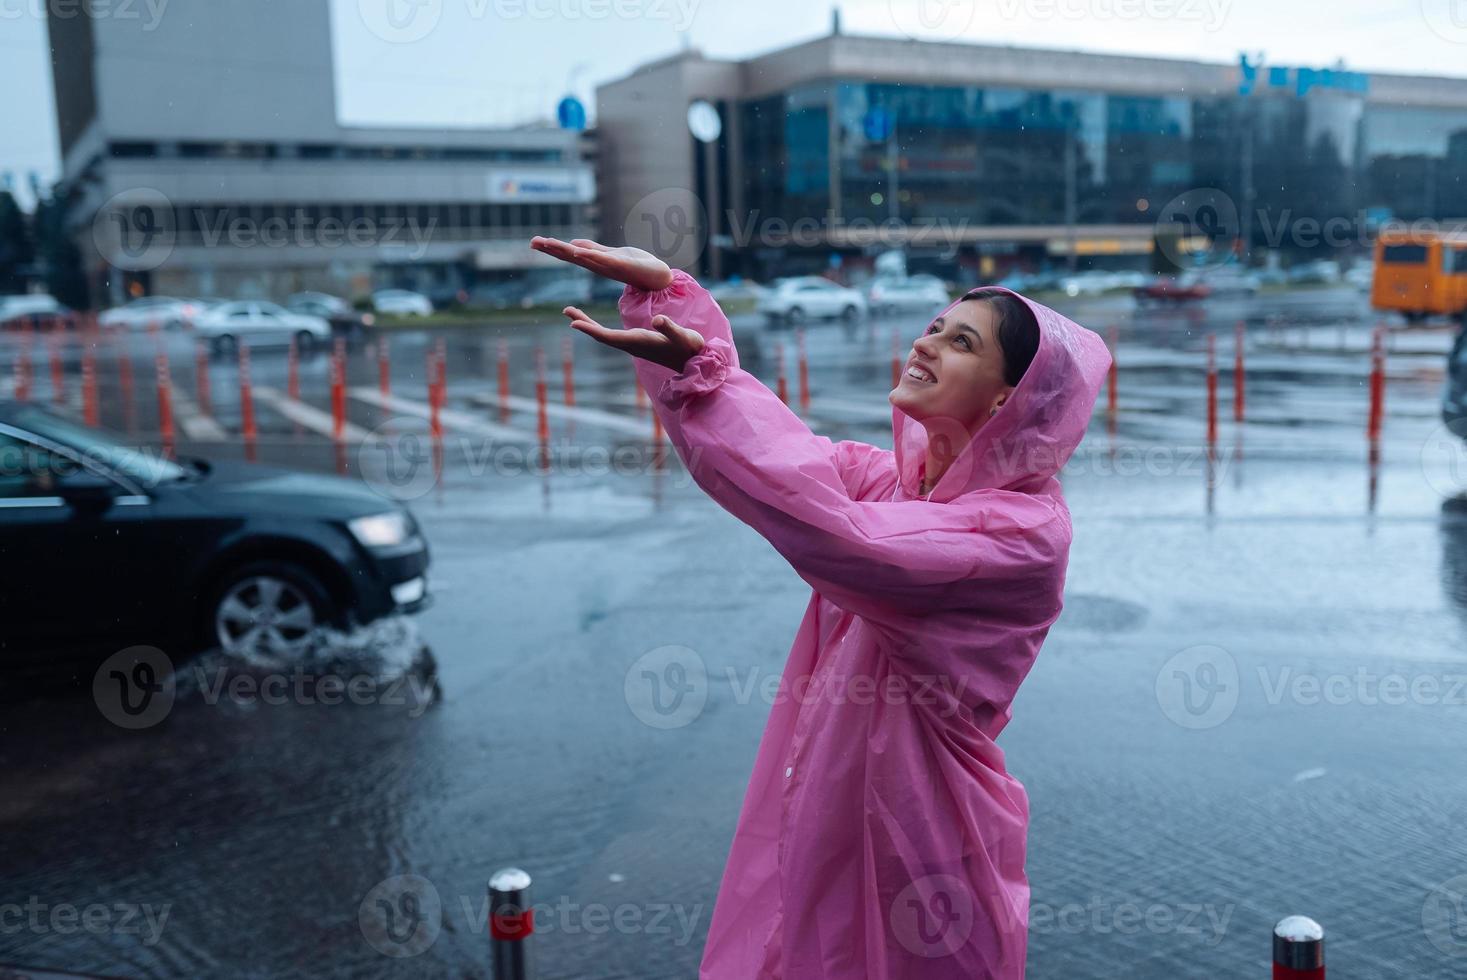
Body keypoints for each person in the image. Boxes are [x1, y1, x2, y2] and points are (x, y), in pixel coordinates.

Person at [529, 236, 1112, 979]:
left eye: (960, 341)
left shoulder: (1020, 534)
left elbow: (833, 530)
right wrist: (677, 306)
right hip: (833, 805)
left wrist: (708, 375)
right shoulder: (895, 486)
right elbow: (769, 460)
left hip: (923, 833)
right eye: (933, 326)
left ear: (1009, 398)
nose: (926, 342)